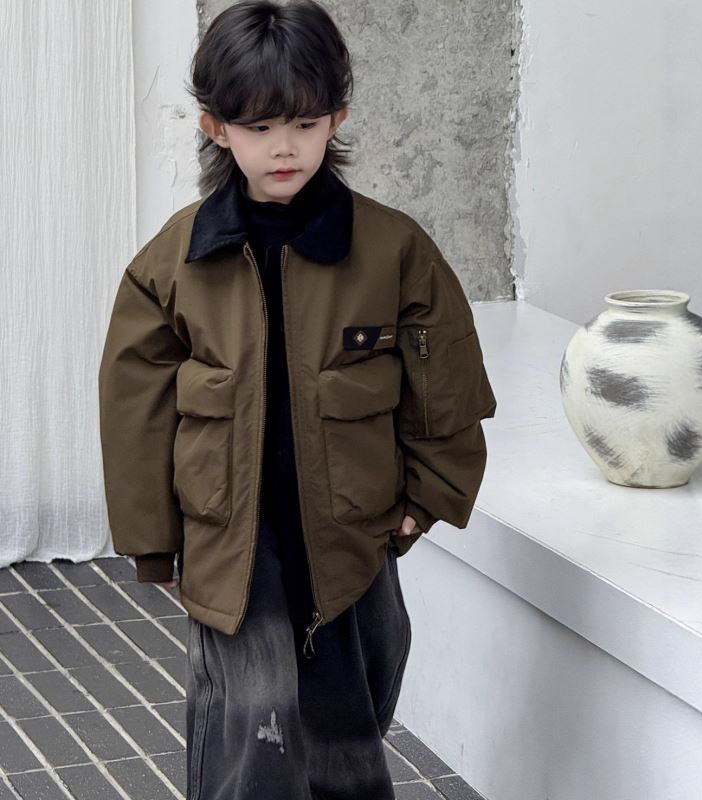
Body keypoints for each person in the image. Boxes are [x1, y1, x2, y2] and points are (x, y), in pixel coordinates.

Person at [97, 1, 497, 798]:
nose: (284, 147)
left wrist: (428, 499)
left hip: (352, 533)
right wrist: (152, 541)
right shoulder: (175, 262)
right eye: (259, 127)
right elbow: (134, 404)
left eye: (305, 124)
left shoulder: (393, 250)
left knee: (353, 710)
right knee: (252, 722)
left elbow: (445, 384)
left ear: (336, 119)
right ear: (216, 128)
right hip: (230, 539)